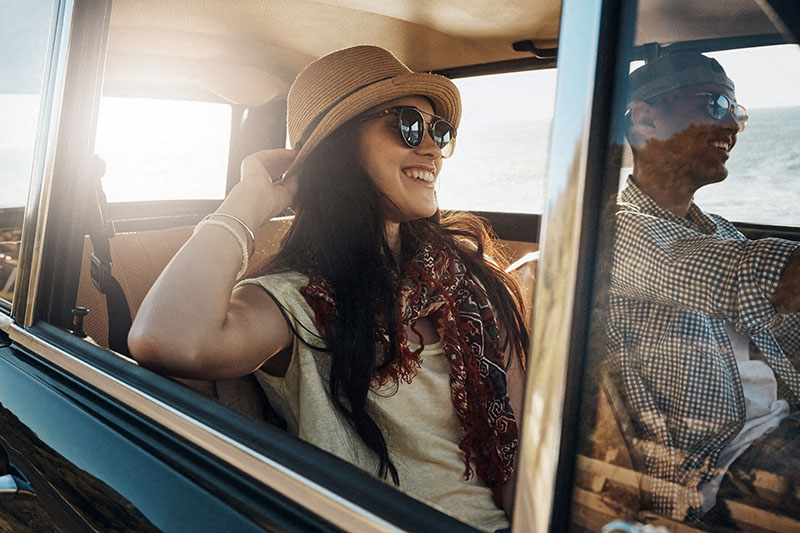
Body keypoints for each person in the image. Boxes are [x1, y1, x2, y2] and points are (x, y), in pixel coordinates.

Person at [128, 45, 528, 531]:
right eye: (406, 124)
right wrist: (249, 201)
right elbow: (168, 340)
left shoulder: (467, 285)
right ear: (338, 150)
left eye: (438, 131)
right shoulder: (299, 301)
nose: (431, 149)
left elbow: (524, 453)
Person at [606, 51, 800, 526]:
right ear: (647, 120)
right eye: (716, 105)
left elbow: (786, 331)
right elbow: (743, 278)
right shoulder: (618, 230)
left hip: (782, 429)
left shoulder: (720, 232)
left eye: (737, 111)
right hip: (719, 468)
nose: (732, 125)